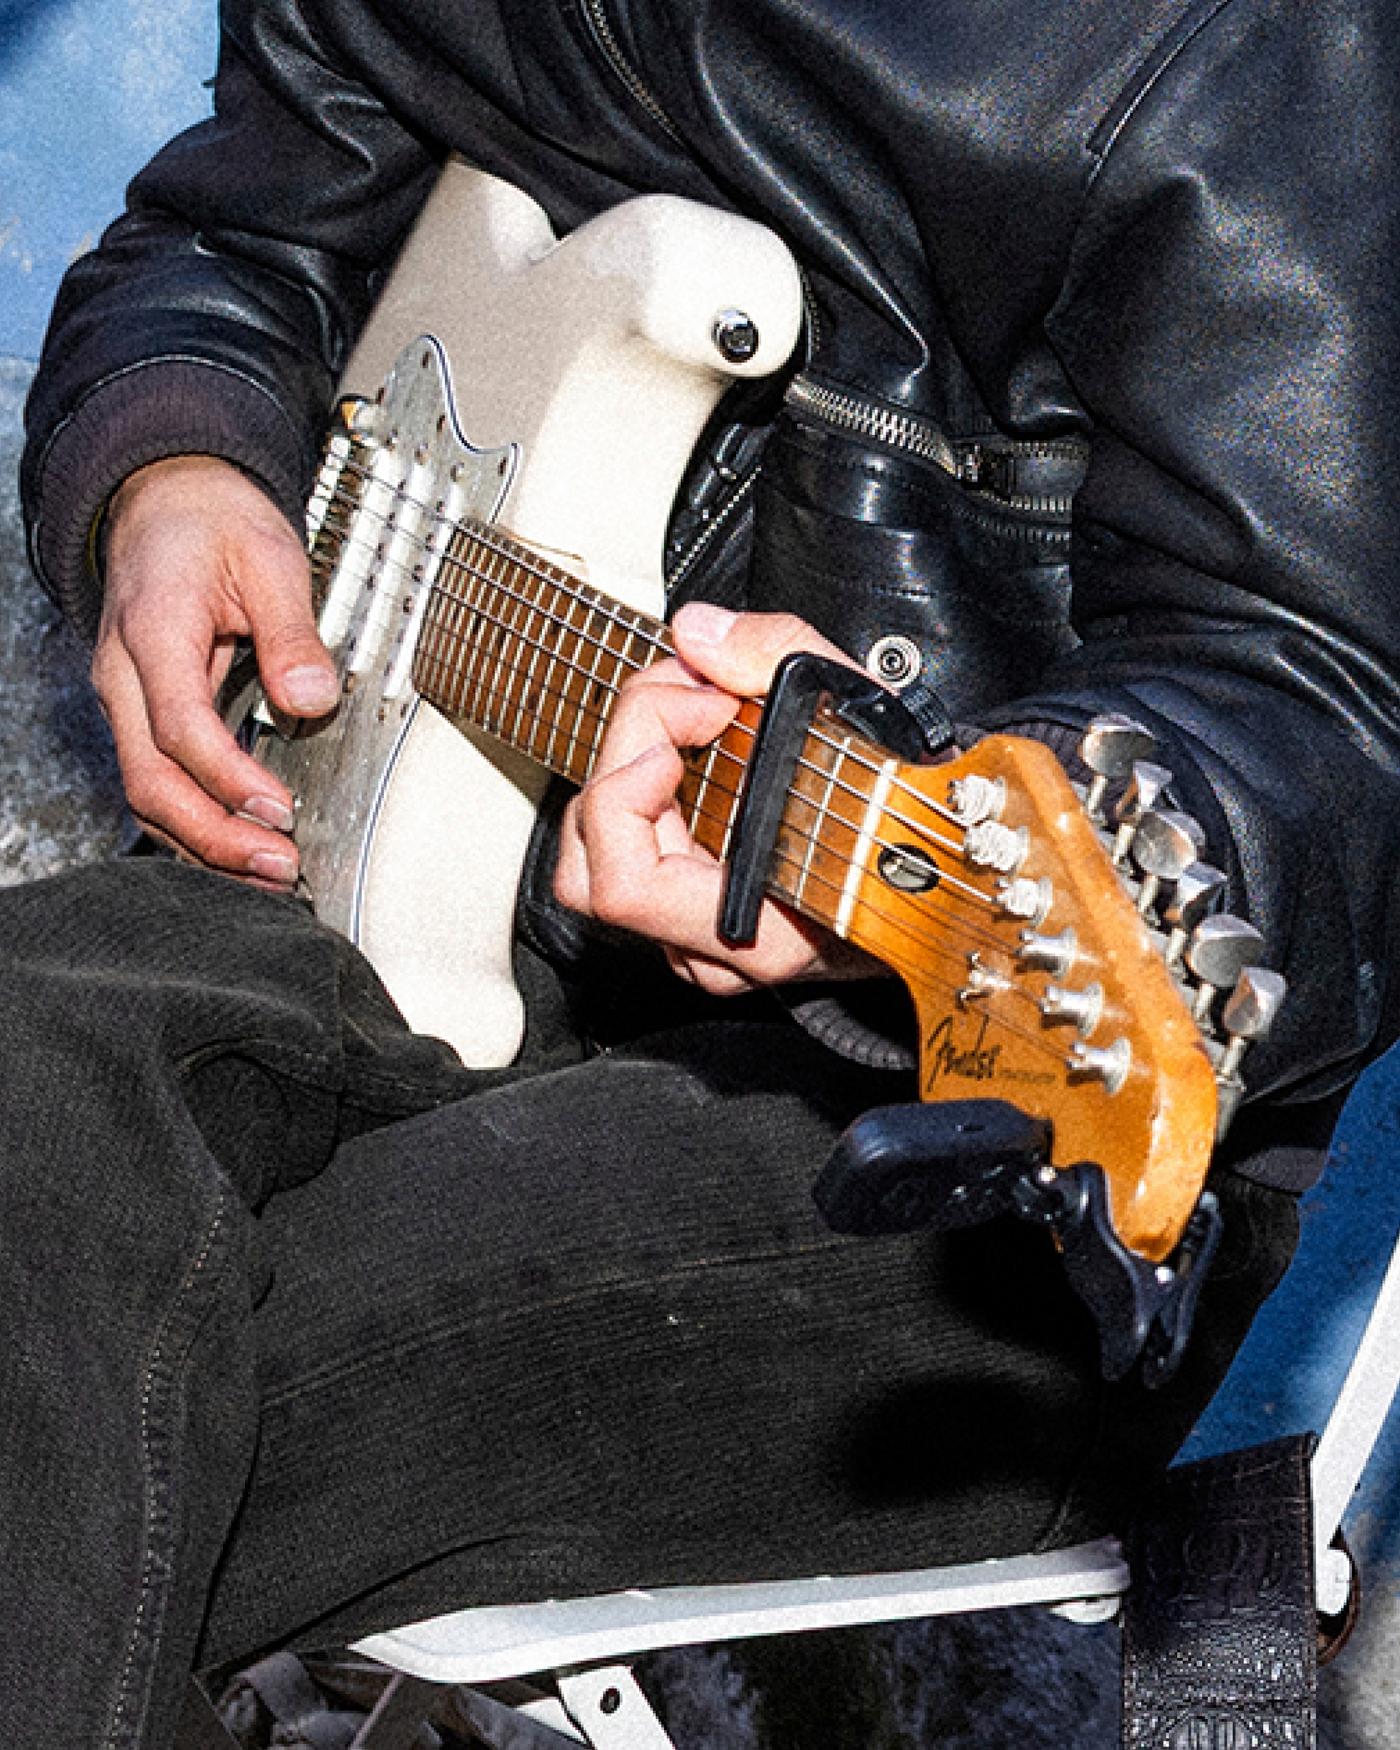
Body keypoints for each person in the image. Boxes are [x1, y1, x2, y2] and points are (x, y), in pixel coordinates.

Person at [10, 1, 1400, 1743]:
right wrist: (172, 459)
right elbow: (233, 227)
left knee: (83, 1413)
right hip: (407, 857)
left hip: (986, 1121)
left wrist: (935, 828)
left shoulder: (1239, 42)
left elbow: (1328, 702)